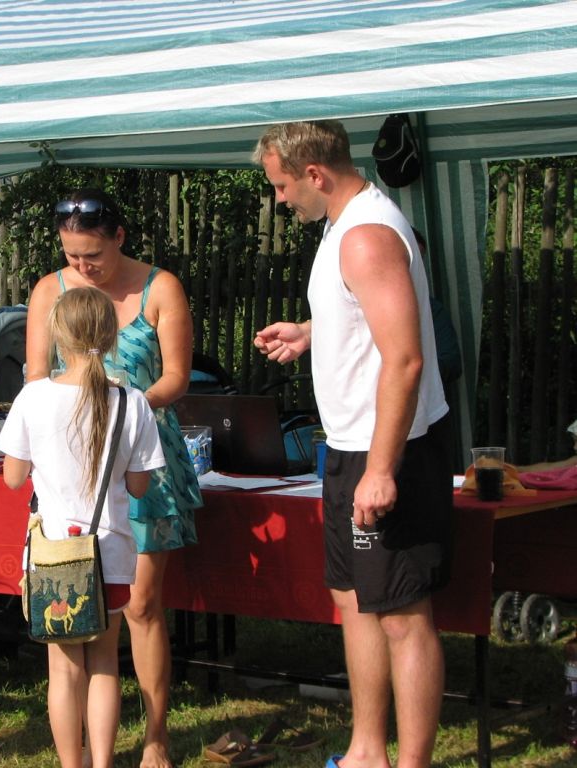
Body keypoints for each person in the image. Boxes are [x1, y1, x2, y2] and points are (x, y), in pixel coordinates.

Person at [252, 120, 452, 768]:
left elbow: (405, 360)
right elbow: (370, 314)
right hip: (348, 447)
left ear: (315, 173)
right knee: (353, 599)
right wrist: (312, 331)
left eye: (282, 186)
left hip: (388, 449)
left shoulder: (366, 235)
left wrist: (382, 469)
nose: (280, 199)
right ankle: (367, 752)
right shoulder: (343, 228)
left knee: (401, 614)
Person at [26, 188, 202, 768]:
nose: (83, 266)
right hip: (73, 468)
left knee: (142, 606)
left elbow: (177, 376)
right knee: (80, 612)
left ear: (119, 237)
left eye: (93, 255)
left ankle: (155, 734)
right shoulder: (49, 291)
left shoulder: (161, 287)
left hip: (141, 454)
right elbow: (35, 375)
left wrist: (124, 413)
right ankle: (84, 744)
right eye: (72, 256)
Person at [0, 286, 165, 768]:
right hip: (110, 551)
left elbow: (12, 478)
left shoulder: (33, 397)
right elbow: (139, 486)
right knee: (105, 663)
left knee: (64, 669)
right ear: (112, 337)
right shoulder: (132, 402)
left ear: (57, 336)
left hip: (54, 554)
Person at [410, 228, 463, 388]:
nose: (415, 268)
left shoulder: (432, 311)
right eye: (409, 260)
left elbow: (451, 363)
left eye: (420, 262)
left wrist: (411, 370)